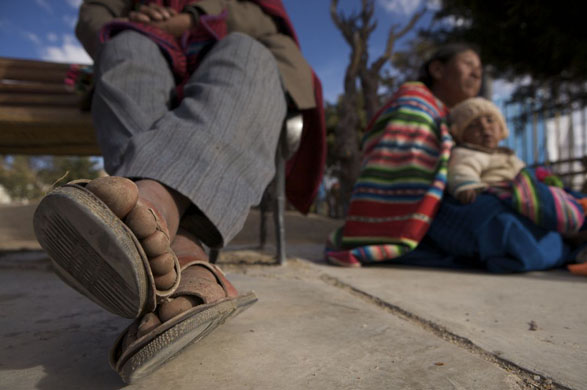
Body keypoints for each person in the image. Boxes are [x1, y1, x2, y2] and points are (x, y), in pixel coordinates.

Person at [33, 0, 325, 383]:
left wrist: (189, 21)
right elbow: (94, 13)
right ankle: (184, 253)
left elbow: (261, 18)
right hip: (145, 49)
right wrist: (131, 21)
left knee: (246, 53)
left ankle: (152, 205)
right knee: (127, 48)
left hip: (228, 49)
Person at [325, 43, 483, 267]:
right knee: (502, 227)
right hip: (420, 215)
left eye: (480, 70)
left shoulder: (450, 118)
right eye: (468, 64)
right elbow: (400, 174)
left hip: (439, 210)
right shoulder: (415, 101)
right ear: (437, 70)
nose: (477, 74)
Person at [447, 97, 525, 204]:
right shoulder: (467, 153)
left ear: (501, 128)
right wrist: (467, 186)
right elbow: (462, 169)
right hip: (492, 195)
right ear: (461, 137)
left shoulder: (508, 155)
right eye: (473, 125)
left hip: (519, 195)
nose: (484, 127)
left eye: (490, 120)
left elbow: (523, 173)